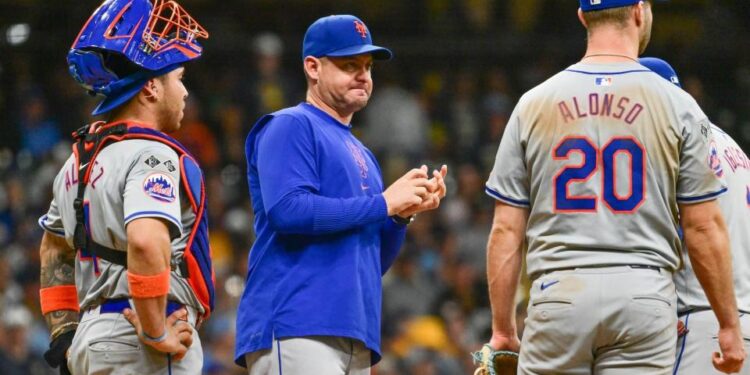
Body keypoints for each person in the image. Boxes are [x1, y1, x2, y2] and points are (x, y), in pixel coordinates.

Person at [481, 0, 746, 374]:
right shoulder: (678, 103)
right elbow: (703, 227)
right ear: (639, 12)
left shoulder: (533, 103)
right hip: (643, 294)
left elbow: (506, 230)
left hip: (559, 291)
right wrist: (729, 324)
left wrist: (503, 331)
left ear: (581, 17)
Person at [234, 14, 448, 375]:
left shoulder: (362, 152)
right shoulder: (291, 124)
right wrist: (383, 203)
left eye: (367, 66)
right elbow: (287, 210)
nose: (363, 75)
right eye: (349, 64)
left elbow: (370, 262)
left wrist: (398, 216)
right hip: (297, 321)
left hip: (353, 332)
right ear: (313, 67)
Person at [37, 0, 215, 373]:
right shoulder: (153, 155)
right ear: (151, 88)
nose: (184, 93)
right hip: (139, 335)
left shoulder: (77, 161)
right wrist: (153, 332)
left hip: (93, 335)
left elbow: (53, 248)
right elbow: (146, 241)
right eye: (179, 78)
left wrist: (66, 334)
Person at [639, 57, 750, 375]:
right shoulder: (729, 144)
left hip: (703, 320)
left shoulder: (669, 141)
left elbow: (676, 229)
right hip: (738, 320)